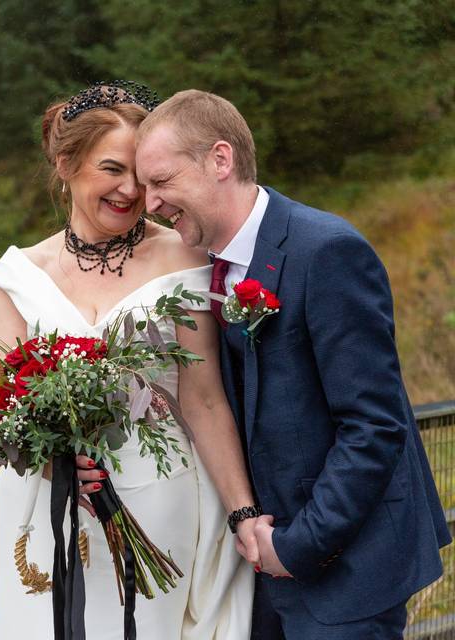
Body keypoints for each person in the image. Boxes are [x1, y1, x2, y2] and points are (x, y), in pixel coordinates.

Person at [134, 89, 452, 639]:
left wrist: (297, 545)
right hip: (261, 570)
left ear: (219, 159)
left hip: (348, 569)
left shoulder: (326, 251)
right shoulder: (207, 269)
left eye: (161, 183)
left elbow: (374, 426)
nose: (150, 204)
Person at [0, 82, 258, 639]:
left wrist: (243, 513)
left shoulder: (183, 255)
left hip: (158, 495)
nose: (131, 189)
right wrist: (54, 458)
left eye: (141, 172)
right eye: (112, 169)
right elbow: (0, 410)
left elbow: (204, 399)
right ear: (66, 164)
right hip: (47, 508)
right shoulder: (20, 278)